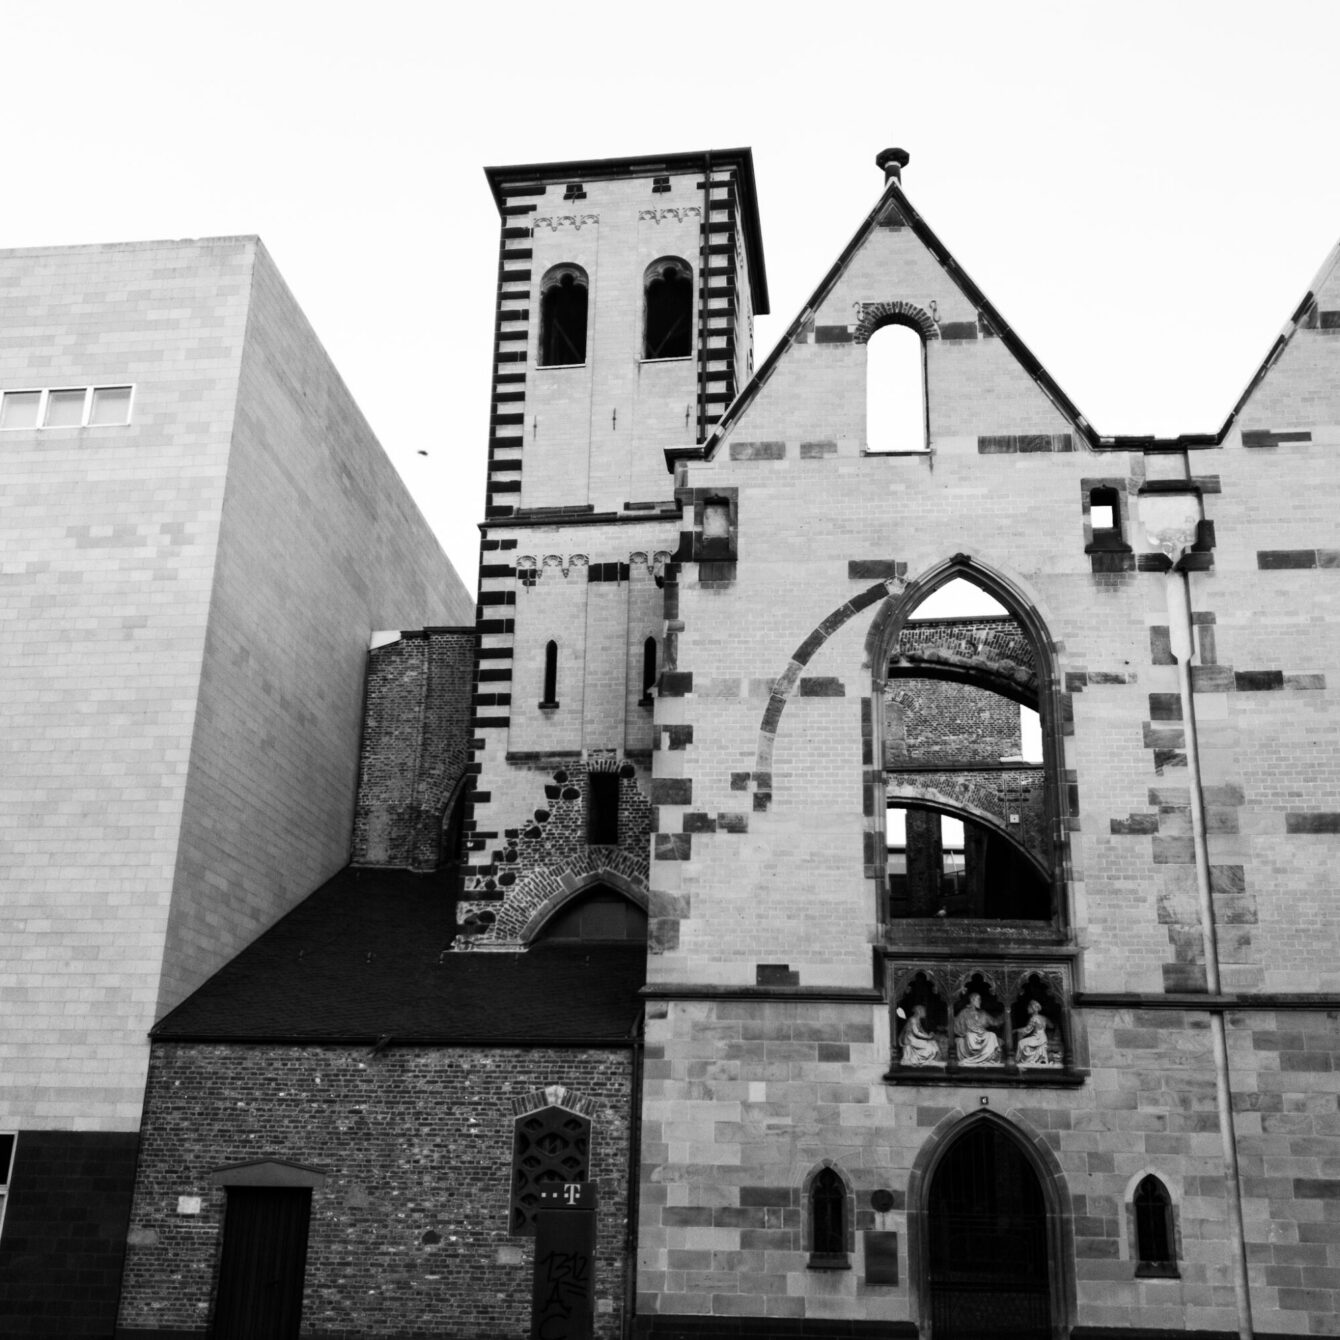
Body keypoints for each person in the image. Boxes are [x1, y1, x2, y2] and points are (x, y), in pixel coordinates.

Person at [953, 991, 1002, 1065]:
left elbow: (995, 1022)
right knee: (970, 1036)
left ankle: (987, 1057)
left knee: (992, 1035)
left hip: (983, 1034)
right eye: (978, 999)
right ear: (972, 1000)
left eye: (980, 1000)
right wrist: (965, 1032)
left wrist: (1005, 1015)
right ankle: (974, 1057)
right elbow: (957, 1024)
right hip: (970, 1035)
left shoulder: (983, 1013)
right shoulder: (964, 1012)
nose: (980, 1002)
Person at [1014, 999, 1057, 1067]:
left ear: (1033, 1008)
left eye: (1029, 1007)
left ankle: (1017, 1060)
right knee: (1025, 1043)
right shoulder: (1043, 1017)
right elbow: (1051, 1025)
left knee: (1021, 1043)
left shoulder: (1034, 1018)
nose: (1027, 1009)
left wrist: (1016, 1030)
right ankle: (1030, 1059)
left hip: (1037, 1038)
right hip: (1043, 1038)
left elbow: (1027, 1030)